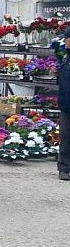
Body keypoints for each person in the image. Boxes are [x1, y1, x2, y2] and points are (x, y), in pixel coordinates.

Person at [58, 27, 70, 181]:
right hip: (66, 105)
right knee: (66, 137)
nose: (65, 41)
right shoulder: (66, 58)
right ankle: (65, 169)